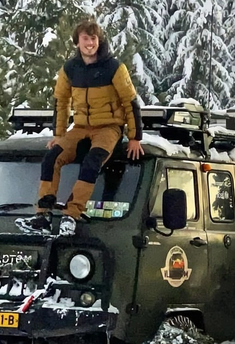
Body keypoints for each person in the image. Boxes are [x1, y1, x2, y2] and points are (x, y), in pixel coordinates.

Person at [17, 19, 144, 237]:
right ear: (77, 41)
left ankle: (71, 214)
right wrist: (59, 135)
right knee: (51, 158)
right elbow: (61, 102)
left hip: (109, 128)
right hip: (80, 127)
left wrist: (134, 137)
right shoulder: (70, 69)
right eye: (86, 38)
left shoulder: (114, 67)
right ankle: (43, 215)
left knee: (92, 161)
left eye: (94, 38)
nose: (90, 43)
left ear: (99, 40)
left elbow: (130, 101)